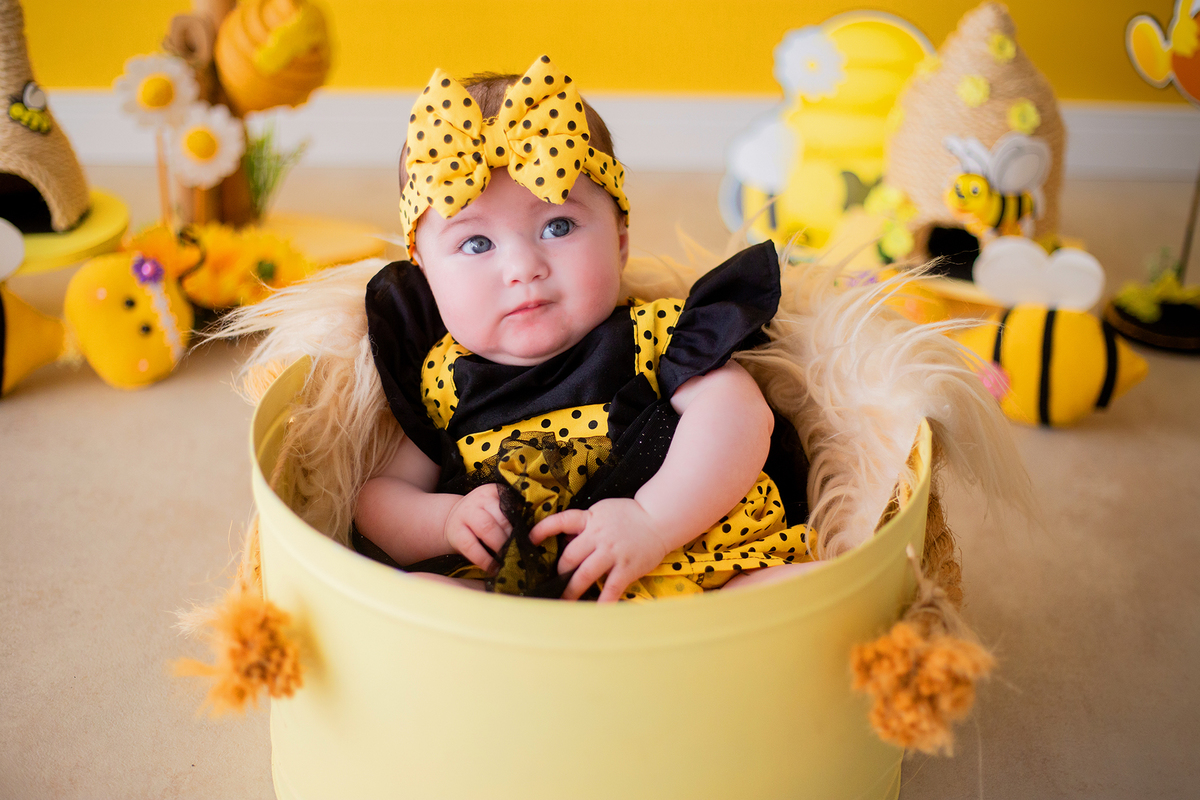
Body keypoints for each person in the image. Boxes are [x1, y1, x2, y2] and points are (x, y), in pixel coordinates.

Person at [355, 56, 816, 602]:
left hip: (693, 564)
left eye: (558, 225)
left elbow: (739, 417)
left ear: (620, 243)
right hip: (526, 597)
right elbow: (378, 500)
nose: (523, 266)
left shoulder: (655, 333)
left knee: (812, 589)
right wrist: (445, 518)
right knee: (417, 596)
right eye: (476, 243)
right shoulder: (442, 380)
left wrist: (653, 520)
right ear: (426, 275)